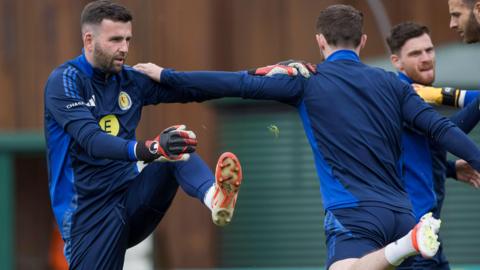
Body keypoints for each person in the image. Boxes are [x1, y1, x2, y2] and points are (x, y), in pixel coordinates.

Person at [134, 4, 480, 270]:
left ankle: (406, 245)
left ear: (319, 41)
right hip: (404, 213)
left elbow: (234, 82)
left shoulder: (306, 78)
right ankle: (409, 242)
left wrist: (168, 75)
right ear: (362, 41)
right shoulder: (393, 83)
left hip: (354, 215)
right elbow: (442, 130)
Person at [44, 1, 243, 269]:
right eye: (115, 39)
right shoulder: (65, 80)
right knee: (164, 147)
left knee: (177, 145)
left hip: (130, 203)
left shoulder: (129, 80)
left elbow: (194, 88)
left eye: (128, 39)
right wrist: (149, 148)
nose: (124, 48)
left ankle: (214, 197)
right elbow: (91, 140)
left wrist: (260, 77)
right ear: (88, 40)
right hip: (88, 219)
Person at [386, 21, 480, 269]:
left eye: (429, 50)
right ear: (397, 61)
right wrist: (439, 94)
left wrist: (448, 169)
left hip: (428, 236)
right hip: (411, 235)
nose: (426, 58)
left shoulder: (417, 94)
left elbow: (416, 150)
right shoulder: (401, 96)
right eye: (415, 53)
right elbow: (447, 134)